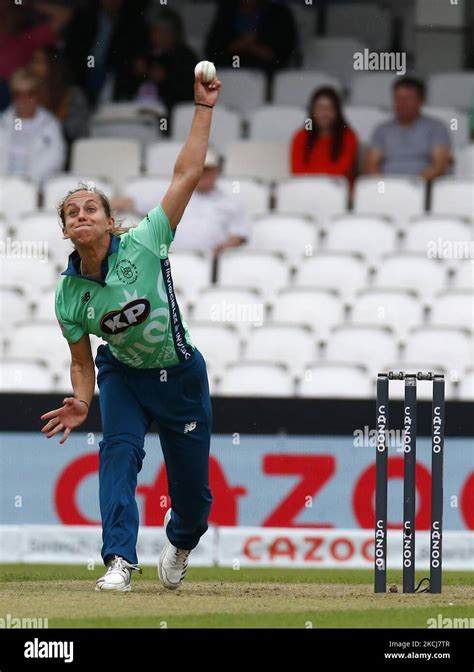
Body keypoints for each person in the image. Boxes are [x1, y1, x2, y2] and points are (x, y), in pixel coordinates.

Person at [40, 70, 222, 592]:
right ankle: (119, 561)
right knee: (117, 454)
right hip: (121, 375)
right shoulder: (68, 295)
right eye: (71, 212)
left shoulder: (145, 242)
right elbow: (81, 359)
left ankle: (182, 540)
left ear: (106, 218)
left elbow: (186, 174)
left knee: (193, 497)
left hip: (180, 376)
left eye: (89, 207)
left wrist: (202, 107)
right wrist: (81, 397)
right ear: (66, 229)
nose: (81, 215)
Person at [112, 148, 249, 255]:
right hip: (164, 259)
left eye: (207, 169)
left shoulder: (231, 203)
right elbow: (129, 202)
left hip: (209, 262)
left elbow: (238, 235)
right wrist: (95, 205)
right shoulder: (172, 194)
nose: (203, 173)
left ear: (216, 171)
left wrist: (221, 250)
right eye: (199, 169)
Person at [364, 76, 452, 179]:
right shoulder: (381, 129)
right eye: (398, 98)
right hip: (386, 187)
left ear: (421, 101)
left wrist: (412, 186)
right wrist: (384, 187)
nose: (402, 104)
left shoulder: (436, 127)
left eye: (408, 98)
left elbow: (439, 166)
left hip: (423, 187)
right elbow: (370, 165)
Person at [123, 8, 197, 113]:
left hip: (170, 112)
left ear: (175, 34)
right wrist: (136, 73)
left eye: (165, 31)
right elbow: (123, 85)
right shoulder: (142, 53)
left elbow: (189, 92)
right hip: (136, 108)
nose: (160, 35)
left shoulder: (186, 57)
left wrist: (166, 79)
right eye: (156, 30)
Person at [0, 68, 65, 183]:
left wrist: (28, 185)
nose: (24, 99)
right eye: (18, 94)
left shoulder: (50, 125)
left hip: (37, 189)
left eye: (29, 93)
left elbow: (55, 162)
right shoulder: (2, 122)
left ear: (38, 95)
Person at [206, 0, 298, 74]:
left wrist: (256, 48)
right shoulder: (226, 12)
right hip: (228, 77)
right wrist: (235, 46)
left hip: (270, 77)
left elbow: (285, 53)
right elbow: (212, 51)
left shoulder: (279, 14)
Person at [291, 87, 358, 184]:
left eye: (329, 108)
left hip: (338, 192)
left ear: (337, 112)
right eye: (320, 107)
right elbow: (297, 171)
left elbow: (342, 172)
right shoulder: (300, 136)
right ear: (312, 110)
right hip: (306, 190)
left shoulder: (349, 137)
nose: (324, 113)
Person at [28, 47, 90, 145]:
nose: (33, 67)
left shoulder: (73, 95)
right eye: (33, 62)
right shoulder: (27, 95)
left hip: (67, 151)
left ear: (53, 66)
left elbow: (78, 132)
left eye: (38, 62)